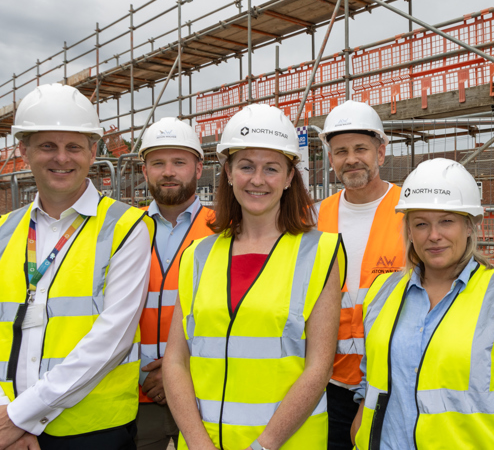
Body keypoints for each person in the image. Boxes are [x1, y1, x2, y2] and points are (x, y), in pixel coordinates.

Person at [0, 83, 155, 450]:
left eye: (74, 146)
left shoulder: (127, 228)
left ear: (92, 153)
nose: (62, 158)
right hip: (0, 430)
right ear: (24, 152)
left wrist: (19, 416)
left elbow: (111, 341)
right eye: (47, 146)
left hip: (91, 434)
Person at [164, 104, 344, 450]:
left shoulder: (321, 253)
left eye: (271, 168)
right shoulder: (198, 256)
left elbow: (319, 368)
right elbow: (176, 360)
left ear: (290, 177)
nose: (257, 180)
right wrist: (198, 442)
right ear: (228, 172)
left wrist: (264, 445)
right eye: (246, 166)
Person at [352, 158, 494, 450]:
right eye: (421, 224)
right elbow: (373, 374)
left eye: (446, 221)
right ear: (409, 231)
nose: (434, 235)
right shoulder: (382, 292)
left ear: (470, 225)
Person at [315, 100, 405, 450]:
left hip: (391, 380)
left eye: (360, 149)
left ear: (380, 153)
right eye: (340, 151)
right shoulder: (316, 217)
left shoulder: (408, 212)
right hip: (329, 380)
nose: (350, 158)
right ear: (331, 159)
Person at [136, 117, 216, 449]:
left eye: (179, 162)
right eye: (158, 163)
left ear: (198, 169)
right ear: (144, 171)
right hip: (136, 396)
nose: (168, 171)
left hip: (202, 394)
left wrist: (175, 376)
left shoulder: (225, 228)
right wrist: (146, 375)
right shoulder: (124, 230)